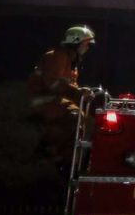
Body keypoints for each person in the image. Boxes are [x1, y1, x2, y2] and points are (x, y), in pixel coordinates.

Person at [26, 25, 95, 173]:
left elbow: (68, 86)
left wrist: (82, 93)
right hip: (43, 101)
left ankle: (72, 162)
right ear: (75, 42)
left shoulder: (71, 62)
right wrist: (78, 92)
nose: (88, 48)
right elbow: (54, 83)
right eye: (86, 44)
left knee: (87, 122)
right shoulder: (56, 56)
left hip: (56, 101)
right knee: (75, 117)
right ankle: (49, 150)